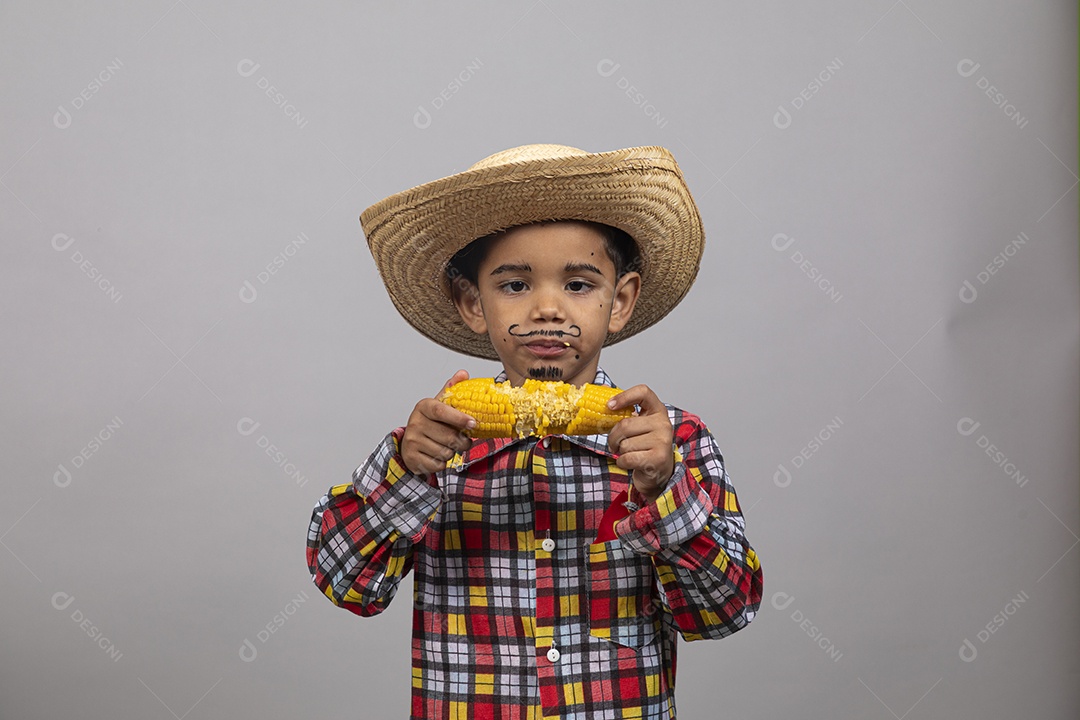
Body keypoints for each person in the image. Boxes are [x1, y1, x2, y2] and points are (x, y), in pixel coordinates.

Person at [306, 144, 763, 719]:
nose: (548, 309)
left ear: (620, 301)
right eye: (515, 286)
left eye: (578, 284)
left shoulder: (673, 444)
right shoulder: (430, 450)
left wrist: (664, 491)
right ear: (473, 303)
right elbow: (344, 582)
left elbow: (726, 612)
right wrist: (404, 471)